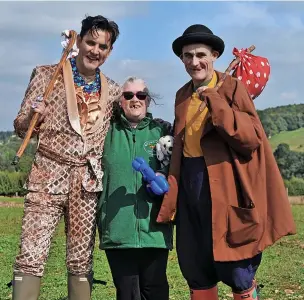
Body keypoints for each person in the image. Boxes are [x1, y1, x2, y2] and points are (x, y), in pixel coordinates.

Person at [155, 24, 296, 300]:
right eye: (187, 56)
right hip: (189, 186)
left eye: (200, 54)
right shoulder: (182, 96)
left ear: (215, 55)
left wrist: (216, 101)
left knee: (236, 266)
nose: (194, 62)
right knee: (196, 263)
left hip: (224, 184)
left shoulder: (231, 88)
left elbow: (250, 138)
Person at [12, 15, 121, 300]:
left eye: (103, 46)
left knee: (80, 258)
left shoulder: (114, 91)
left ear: (109, 52)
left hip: (86, 183)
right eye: (90, 42)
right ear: (79, 41)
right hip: (47, 175)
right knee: (31, 253)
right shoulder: (47, 75)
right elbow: (21, 126)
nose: (95, 51)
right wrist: (34, 117)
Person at [97, 77, 173, 300]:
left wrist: (163, 177)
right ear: (120, 101)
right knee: (128, 295)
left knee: (156, 291)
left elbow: (178, 168)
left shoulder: (163, 132)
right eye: (128, 95)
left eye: (141, 95)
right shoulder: (105, 133)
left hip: (155, 230)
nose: (135, 100)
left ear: (148, 99)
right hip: (118, 230)